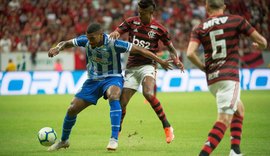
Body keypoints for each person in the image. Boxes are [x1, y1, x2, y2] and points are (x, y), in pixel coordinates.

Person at [47, 23, 172, 151]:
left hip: (113, 77)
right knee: (72, 109)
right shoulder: (85, 41)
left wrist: (160, 61)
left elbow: (141, 50)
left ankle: (113, 139)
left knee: (114, 95)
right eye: (88, 38)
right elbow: (66, 43)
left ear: (101, 35)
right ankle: (64, 140)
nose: (89, 42)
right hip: (93, 80)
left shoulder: (114, 43)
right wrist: (57, 48)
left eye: (92, 39)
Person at [186, 0, 267, 156]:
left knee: (239, 109)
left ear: (207, 7)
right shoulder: (236, 20)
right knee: (223, 120)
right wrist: (260, 46)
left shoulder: (199, 27)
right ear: (224, 7)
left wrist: (204, 67)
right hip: (229, 77)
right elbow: (262, 41)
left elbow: (190, 53)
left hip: (212, 80)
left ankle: (235, 151)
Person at [109, 0, 184, 144]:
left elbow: (171, 48)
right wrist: (115, 33)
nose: (140, 15)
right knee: (122, 103)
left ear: (150, 12)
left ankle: (167, 126)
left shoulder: (159, 29)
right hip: (131, 68)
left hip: (148, 66)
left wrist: (177, 60)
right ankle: (117, 132)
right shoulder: (131, 22)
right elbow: (118, 31)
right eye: (139, 12)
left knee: (148, 93)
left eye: (143, 13)